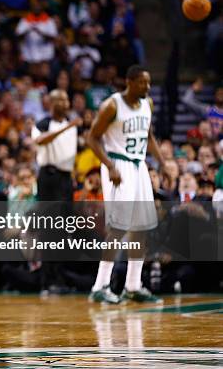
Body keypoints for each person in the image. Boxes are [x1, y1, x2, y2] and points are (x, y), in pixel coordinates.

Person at [86, 65, 164, 304]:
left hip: (139, 166)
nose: (147, 87)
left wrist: (162, 162)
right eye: (142, 82)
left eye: (149, 83)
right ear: (129, 82)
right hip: (118, 165)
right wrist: (109, 166)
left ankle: (133, 285)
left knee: (140, 227)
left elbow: (148, 136)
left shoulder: (147, 104)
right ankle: (100, 286)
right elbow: (91, 138)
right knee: (118, 228)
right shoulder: (112, 105)